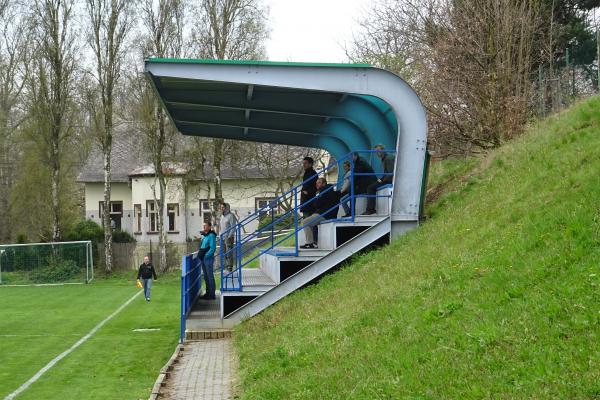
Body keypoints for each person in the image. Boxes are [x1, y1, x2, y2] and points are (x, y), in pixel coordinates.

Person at [300, 178, 341, 249]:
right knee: (309, 221)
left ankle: (309, 243)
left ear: (324, 184)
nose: (316, 184)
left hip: (324, 214)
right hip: (324, 213)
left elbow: (317, 205)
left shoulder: (324, 193)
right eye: (316, 183)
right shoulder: (328, 191)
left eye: (319, 183)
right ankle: (312, 242)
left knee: (305, 222)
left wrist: (317, 197)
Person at [363, 144, 395, 215]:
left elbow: (390, 173)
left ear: (383, 150)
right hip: (387, 178)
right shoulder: (385, 158)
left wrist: (382, 180)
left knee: (370, 188)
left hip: (390, 180)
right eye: (376, 152)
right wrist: (381, 179)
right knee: (371, 185)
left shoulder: (388, 158)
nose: (377, 153)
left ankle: (370, 209)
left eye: (378, 151)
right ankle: (370, 209)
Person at [199, 221, 217, 300]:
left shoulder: (211, 235)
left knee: (209, 276)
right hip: (203, 258)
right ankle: (207, 293)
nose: (204, 227)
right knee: (206, 277)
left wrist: (206, 255)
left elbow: (212, 248)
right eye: (203, 226)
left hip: (208, 258)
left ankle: (212, 294)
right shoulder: (204, 235)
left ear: (209, 227)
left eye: (205, 226)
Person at [219, 202, 237, 272]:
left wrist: (229, 236)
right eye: (221, 207)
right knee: (224, 253)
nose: (221, 209)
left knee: (229, 253)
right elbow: (221, 227)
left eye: (223, 207)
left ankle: (230, 267)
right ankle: (226, 267)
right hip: (222, 237)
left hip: (229, 237)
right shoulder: (222, 216)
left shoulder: (231, 216)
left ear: (227, 208)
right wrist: (219, 235)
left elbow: (233, 227)